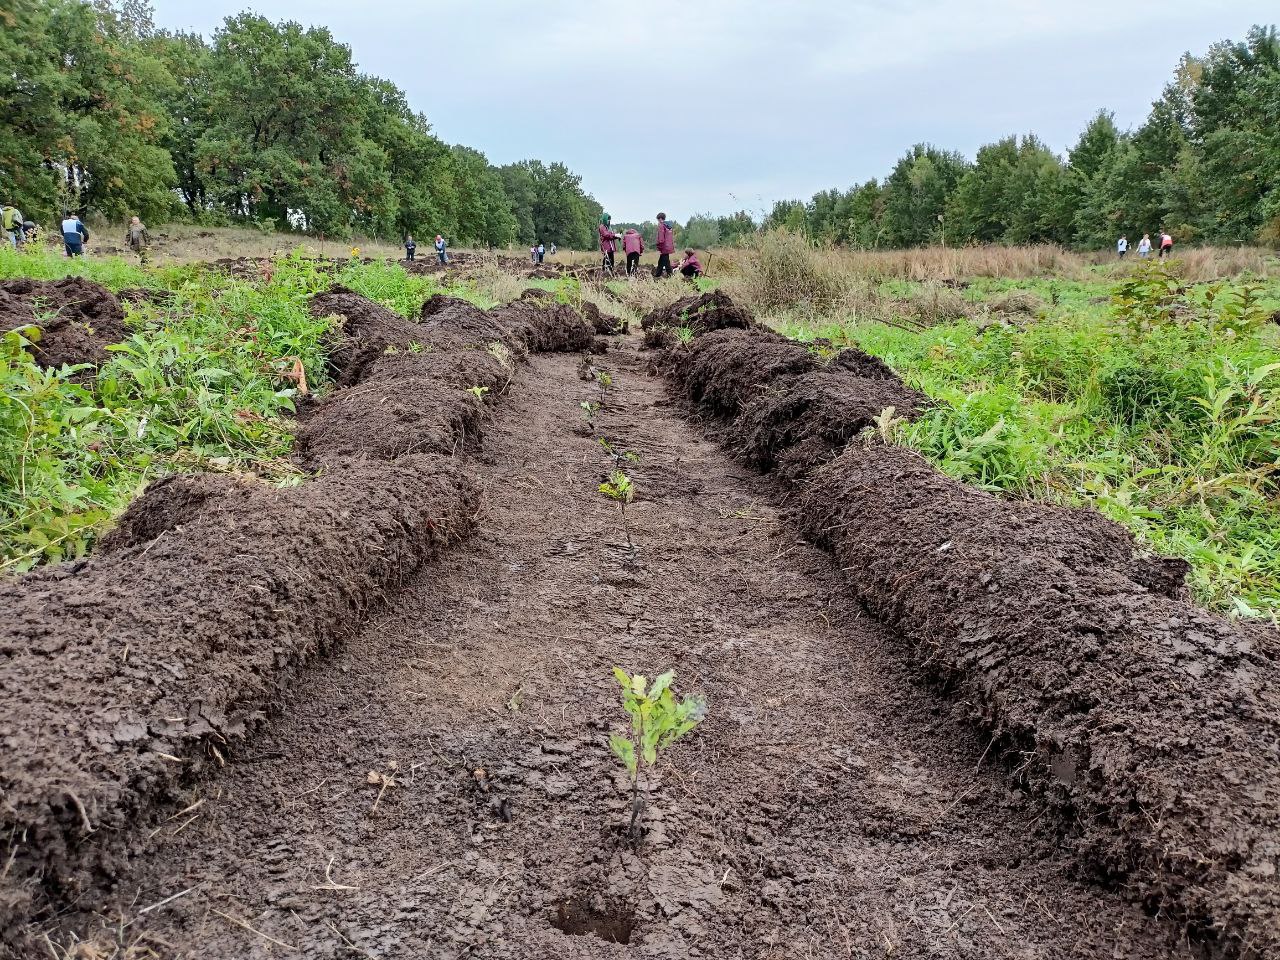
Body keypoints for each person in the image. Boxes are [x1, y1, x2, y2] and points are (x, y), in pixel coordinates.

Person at [654, 212, 675, 278]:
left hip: (664, 246)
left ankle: (670, 275)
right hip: (668, 246)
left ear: (660, 218)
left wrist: (659, 247)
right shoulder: (668, 226)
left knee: (666, 262)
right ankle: (657, 274)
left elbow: (661, 238)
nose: (658, 221)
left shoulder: (661, 225)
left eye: (658, 219)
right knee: (661, 261)